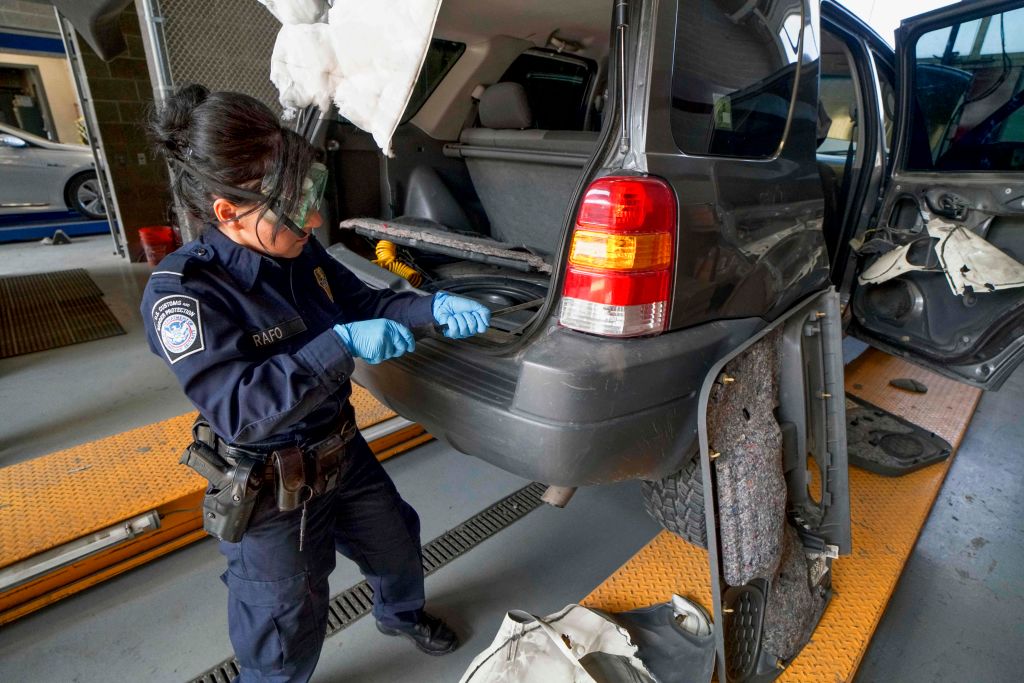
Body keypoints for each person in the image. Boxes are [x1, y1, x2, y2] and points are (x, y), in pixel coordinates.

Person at [141, 84, 491, 682]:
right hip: (272, 479)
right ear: (227, 213)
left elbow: (367, 301)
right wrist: (341, 344)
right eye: (290, 204)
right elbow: (239, 409)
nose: (312, 217)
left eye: (310, 192)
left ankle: (400, 614)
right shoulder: (184, 295)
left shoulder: (299, 251)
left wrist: (429, 309)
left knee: (396, 544)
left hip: (338, 446)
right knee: (283, 620)